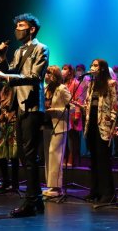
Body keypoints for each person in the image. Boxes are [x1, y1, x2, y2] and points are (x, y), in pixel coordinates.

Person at [0, 12, 49, 217]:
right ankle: (36, 200)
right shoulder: (20, 50)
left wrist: (7, 76)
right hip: (18, 106)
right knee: (23, 155)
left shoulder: (41, 49)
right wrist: (3, 61)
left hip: (32, 105)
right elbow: (11, 72)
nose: (17, 30)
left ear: (31, 29)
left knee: (29, 156)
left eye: (21, 25)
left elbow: (34, 77)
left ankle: (31, 201)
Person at [82, 59, 118, 204]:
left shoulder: (111, 84)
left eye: (96, 65)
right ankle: (95, 191)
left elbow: (115, 106)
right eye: (91, 65)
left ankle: (108, 193)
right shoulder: (90, 84)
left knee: (103, 160)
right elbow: (88, 104)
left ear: (103, 68)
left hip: (104, 125)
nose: (92, 67)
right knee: (94, 159)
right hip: (91, 124)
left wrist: (112, 125)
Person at [42, 65, 71, 197]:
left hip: (59, 125)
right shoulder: (45, 89)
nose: (46, 76)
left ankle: (57, 187)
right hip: (47, 125)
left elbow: (72, 107)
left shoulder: (62, 89)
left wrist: (55, 110)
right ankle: (50, 184)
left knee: (55, 155)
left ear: (55, 75)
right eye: (46, 73)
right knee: (48, 155)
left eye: (49, 73)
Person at [0, 82, 19, 193]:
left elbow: (15, 109)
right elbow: (3, 113)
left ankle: (15, 184)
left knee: (13, 156)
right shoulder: (3, 91)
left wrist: (7, 117)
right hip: (4, 126)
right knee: (1, 154)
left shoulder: (15, 90)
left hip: (14, 125)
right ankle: (5, 182)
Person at [61, 64, 84, 167]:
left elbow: (79, 99)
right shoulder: (61, 84)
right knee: (63, 139)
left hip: (73, 114)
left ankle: (71, 158)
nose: (62, 71)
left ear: (70, 71)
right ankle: (64, 158)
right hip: (63, 114)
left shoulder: (75, 83)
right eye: (62, 69)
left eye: (65, 69)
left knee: (72, 138)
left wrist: (77, 115)